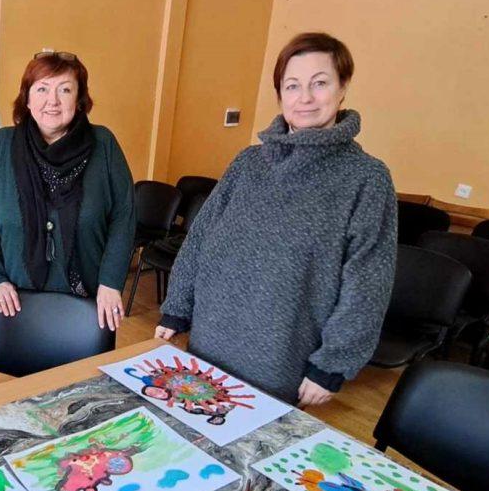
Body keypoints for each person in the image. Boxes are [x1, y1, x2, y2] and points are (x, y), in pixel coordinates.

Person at [156, 32, 397, 407]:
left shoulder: (366, 178)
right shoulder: (248, 163)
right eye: (292, 85)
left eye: (320, 83)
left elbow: (368, 283)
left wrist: (333, 364)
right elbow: (200, 238)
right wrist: (176, 309)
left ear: (343, 88)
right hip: (209, 339)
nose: (305, 98)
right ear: (280, 94)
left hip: (280, 355)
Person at [0, 51, 135, 333]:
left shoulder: (104, 144)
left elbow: (124, 215)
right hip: (17, 300)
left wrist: (111, 280)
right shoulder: (2, 145)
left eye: (65, 90)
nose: (53, 100)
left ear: (80, 99)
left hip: (88, 299)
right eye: (42, 89)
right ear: (27, 98)